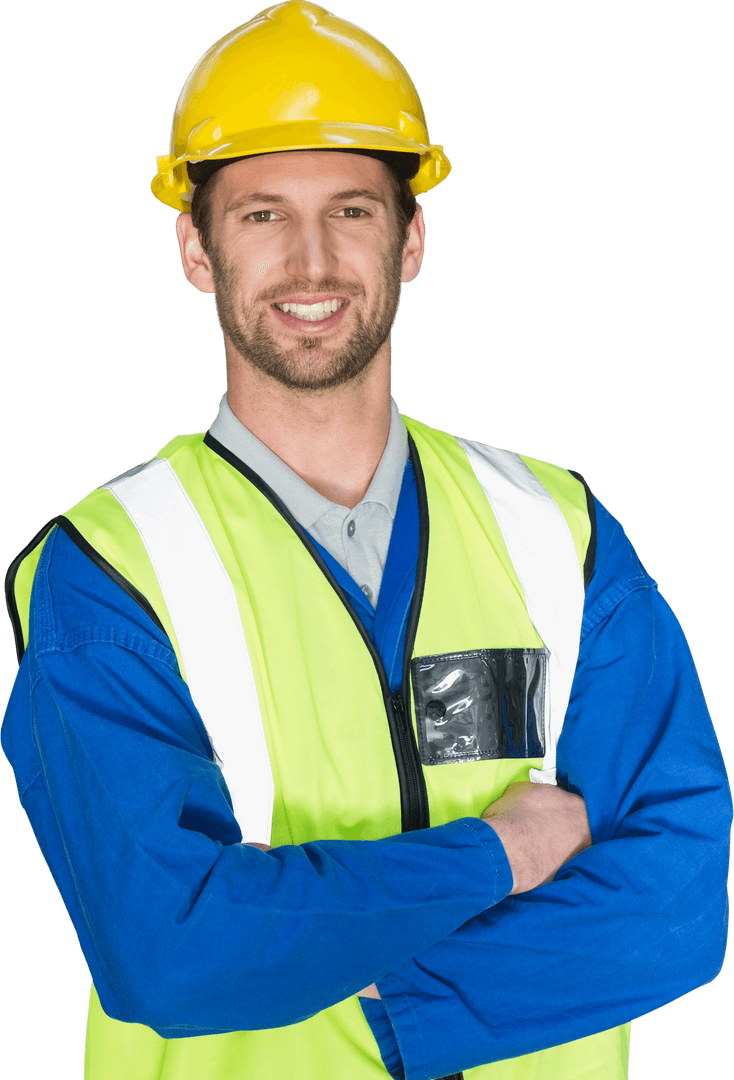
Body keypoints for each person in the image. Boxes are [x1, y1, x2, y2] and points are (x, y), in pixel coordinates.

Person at [1, 3, 730, 1079]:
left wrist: (396, 1001)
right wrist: (498, 853)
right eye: (259, 216)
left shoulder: (556, 532)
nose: (309, 261)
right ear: (196, 249)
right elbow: (170, 950)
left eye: (349, 209)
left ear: (410, 237)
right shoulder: (110, 570)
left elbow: (683, 894)